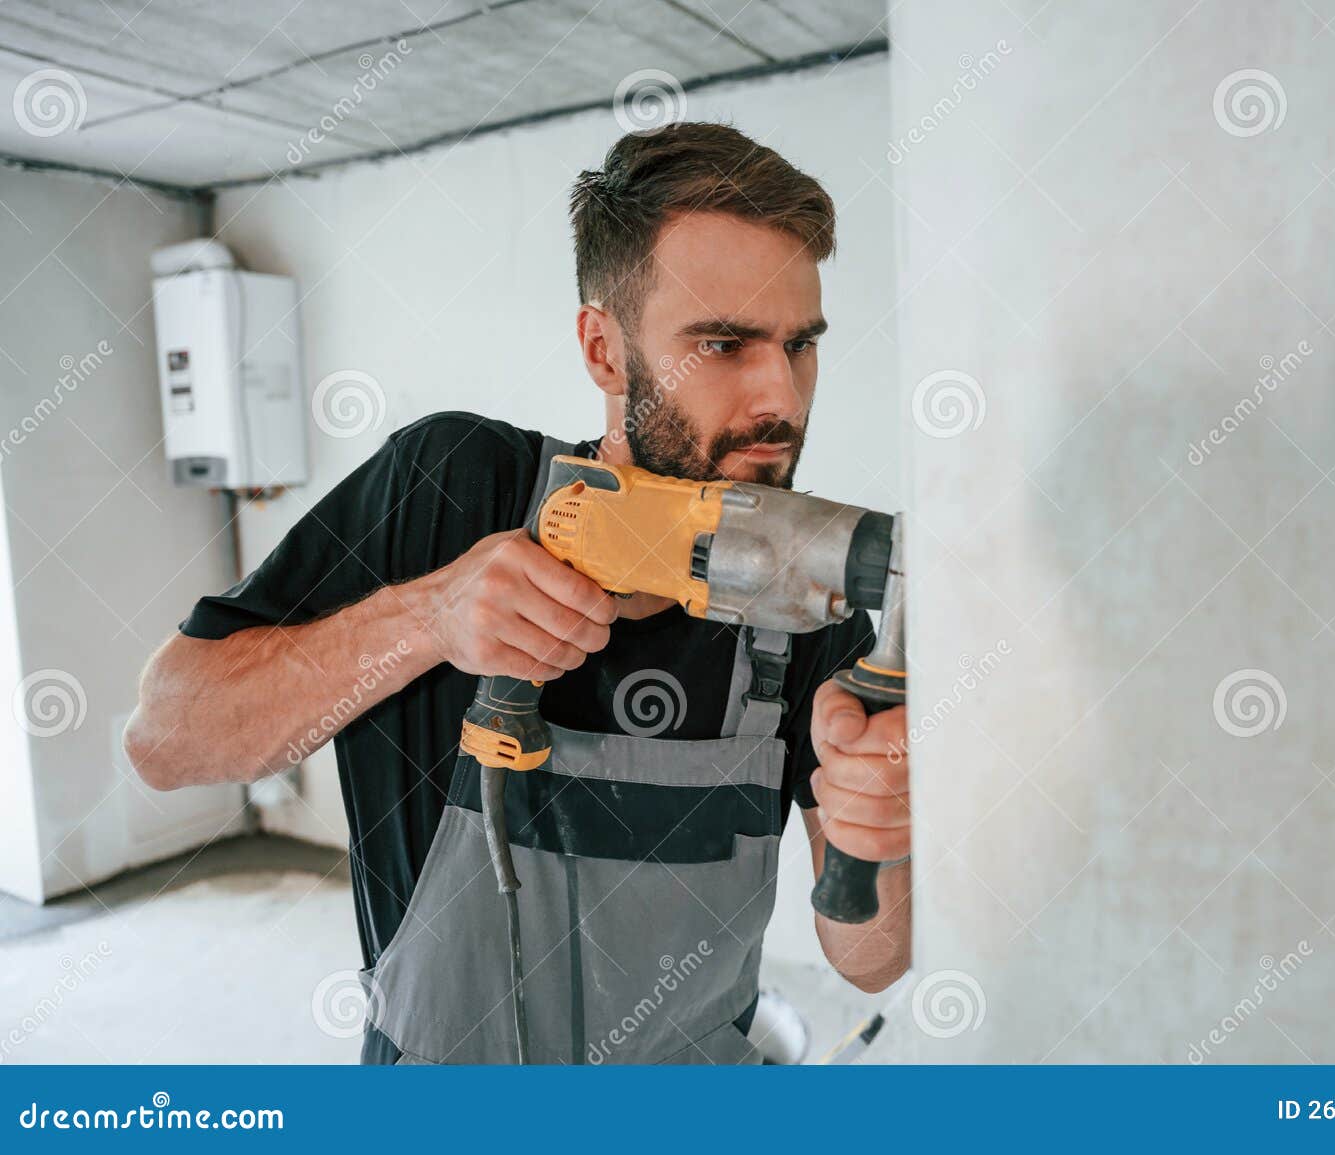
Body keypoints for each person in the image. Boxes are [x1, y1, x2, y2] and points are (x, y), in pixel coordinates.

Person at [124, 121, 912, 1064]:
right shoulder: (453, 486)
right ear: (604, 350)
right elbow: (165, 741)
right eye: (727, 343)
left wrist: (886, 831)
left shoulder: (805, 598)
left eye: (801, 345)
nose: (780, 395)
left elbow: (868, 959)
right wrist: (429, 616)